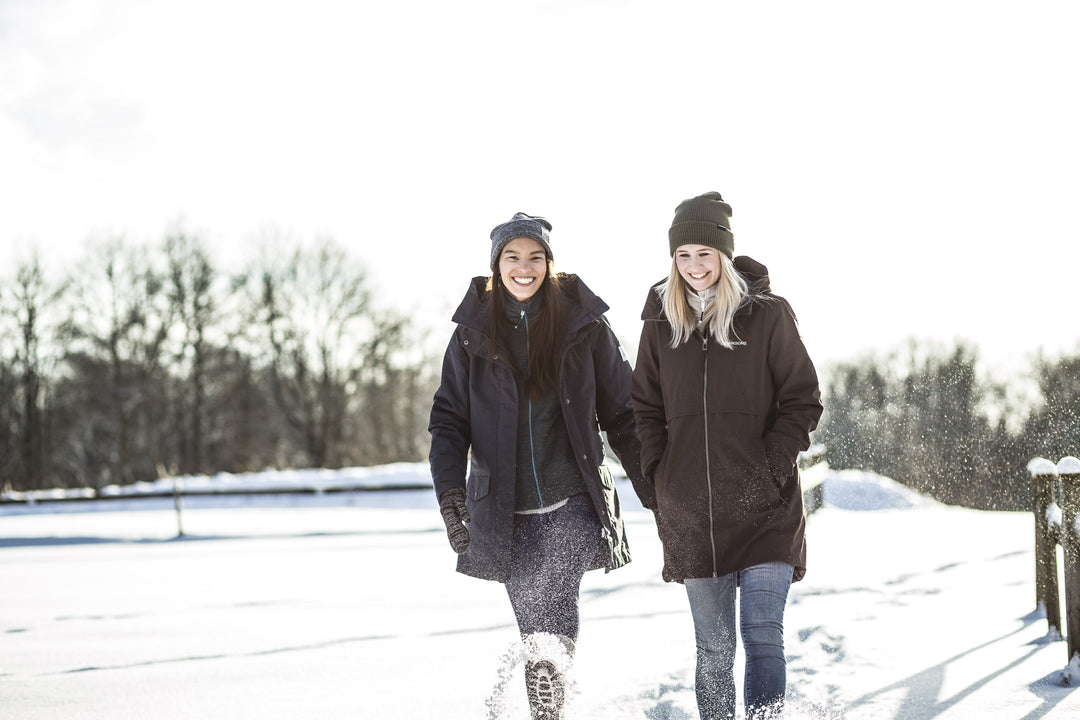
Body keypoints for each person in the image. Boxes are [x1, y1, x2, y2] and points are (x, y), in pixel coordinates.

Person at [429, 212, 654, 720]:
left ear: (550, 264)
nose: (523, 268)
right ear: (495, 266)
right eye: (512, 258)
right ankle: (549, 700)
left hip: (573, 496)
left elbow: (624, 414)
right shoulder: (470, 336)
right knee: (535, 620)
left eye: (535, 257)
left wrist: (656, 488)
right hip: (506, 508)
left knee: (554, 597)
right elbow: (448, 423)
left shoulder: (585, 326)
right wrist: (450, 498)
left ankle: (548, 699)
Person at [631, 192, 822, 720]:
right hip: (693, 515)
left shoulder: (767, 316)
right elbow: (643, 407)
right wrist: (659, 474)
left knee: (763, 637)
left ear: (724, 254)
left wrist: (773, 465)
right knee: (714, 653)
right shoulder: (659, 325)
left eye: (704, 254)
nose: (694, 266)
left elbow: (803, 397)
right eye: (683, 255)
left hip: (765, 507)